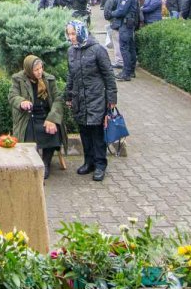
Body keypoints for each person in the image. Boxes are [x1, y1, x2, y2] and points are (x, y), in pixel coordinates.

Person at [64, 20, 117, 181]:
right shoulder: (71, 51)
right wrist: (68, 95)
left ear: (80, 32)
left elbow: (108, 75)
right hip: (80, 98)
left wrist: (112, 98)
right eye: (69, 34)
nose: (71, 37)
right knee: (84, 132)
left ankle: (100, 164)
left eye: (73, 33)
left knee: (96, 132)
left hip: (96, 97)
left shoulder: (98, 50)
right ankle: (88, 162)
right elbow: (71, 75)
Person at [9, 55, 66, 180]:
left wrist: (51, 118)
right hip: (28, 115)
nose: (40, 72)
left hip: (46, 115)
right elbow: (12, 96)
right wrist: (22, 102)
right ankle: (31, 161)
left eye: (41, 68)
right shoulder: (18, 79)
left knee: (52, 130)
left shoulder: (49, 79)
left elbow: (58, 99)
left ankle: (45, 163)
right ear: (29, 70)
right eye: (36, 70)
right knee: (29, 130)